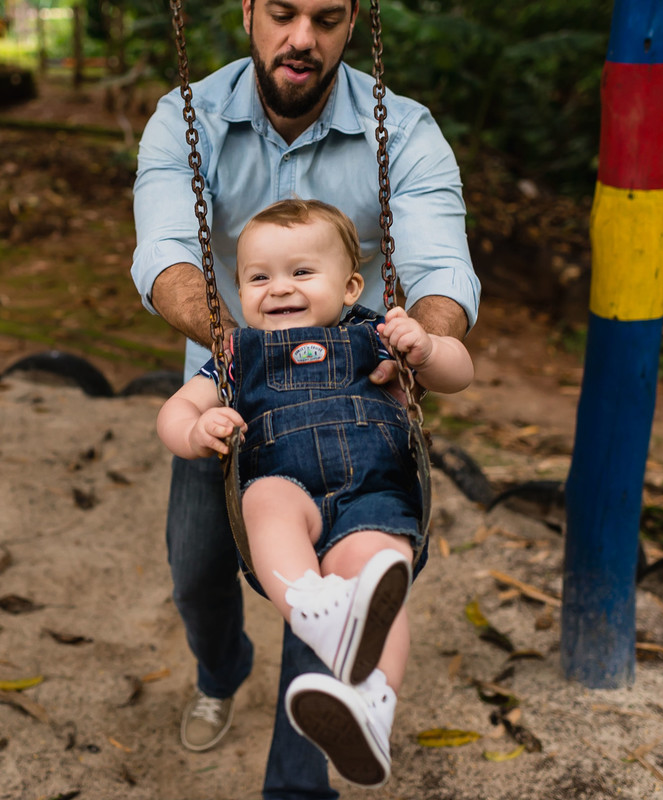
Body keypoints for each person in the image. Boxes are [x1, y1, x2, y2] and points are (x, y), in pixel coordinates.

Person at [131, 1, 481, 796]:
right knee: (197, 572)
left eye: (325, 18)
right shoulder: (186, 119)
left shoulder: (407, 130)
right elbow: (164, 252)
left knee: (332, 591)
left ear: (353, 20)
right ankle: (220, 672)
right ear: (248, 10)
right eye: (282, 13)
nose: (301, 39)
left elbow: (440, 270)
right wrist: (226, 346)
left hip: (361, 393)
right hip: (235, 378)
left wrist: (418, 346)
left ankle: (302, 780)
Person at [156, 198, 473, 787]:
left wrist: (425, 348)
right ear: (239, 289)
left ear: (351, 285)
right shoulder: (235, 354)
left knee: (381, 574)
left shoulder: (377, 334)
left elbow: (458, 372)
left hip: (373, 491)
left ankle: (374, 706)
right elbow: (175, 412)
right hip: (289, 482)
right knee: (266, 503)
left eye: (301, 272)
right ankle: (310, 602)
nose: (279, 288)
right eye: (259, 277)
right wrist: (197, 430)